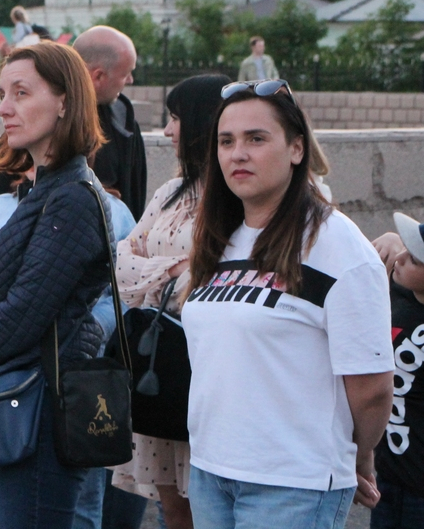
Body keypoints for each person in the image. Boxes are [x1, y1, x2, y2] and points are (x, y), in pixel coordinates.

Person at [182, 79, 394, 528]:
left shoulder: (338, 247)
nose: (237, 154)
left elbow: (372, 386)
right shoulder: (220, 238)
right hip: (210, 471)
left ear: (297, 149)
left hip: (293, 482)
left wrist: (356, 455)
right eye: (226, 141)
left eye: (256, 139)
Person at [0, 41, 110, 528]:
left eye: (21, 93)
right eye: (2, 94)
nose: (3, 108)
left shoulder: (71, 197)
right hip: (30, 400)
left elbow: (22, 315)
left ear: (65, 102)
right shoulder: (48, 189)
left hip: (44, 408)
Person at [110, 74, 231, 529]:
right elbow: (120, 263)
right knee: (171, 508)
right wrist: (175, 269)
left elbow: (216, 281)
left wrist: (161, 273)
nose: (167, 131)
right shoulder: (169, 192)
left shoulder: (236, 198)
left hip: (206, 369)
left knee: (208, 505)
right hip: (158, 365)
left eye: (176, 118)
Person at [370, 214, 424, 529]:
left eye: (414, 259)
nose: (400, 258)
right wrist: (393, 238)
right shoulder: (403, 295)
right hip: (389, 480)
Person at [73, 26, 148, 221]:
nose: (130, 80)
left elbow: (134, 202)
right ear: (98, 76)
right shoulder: (43, 118)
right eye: (126, 74)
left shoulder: (125, 122)